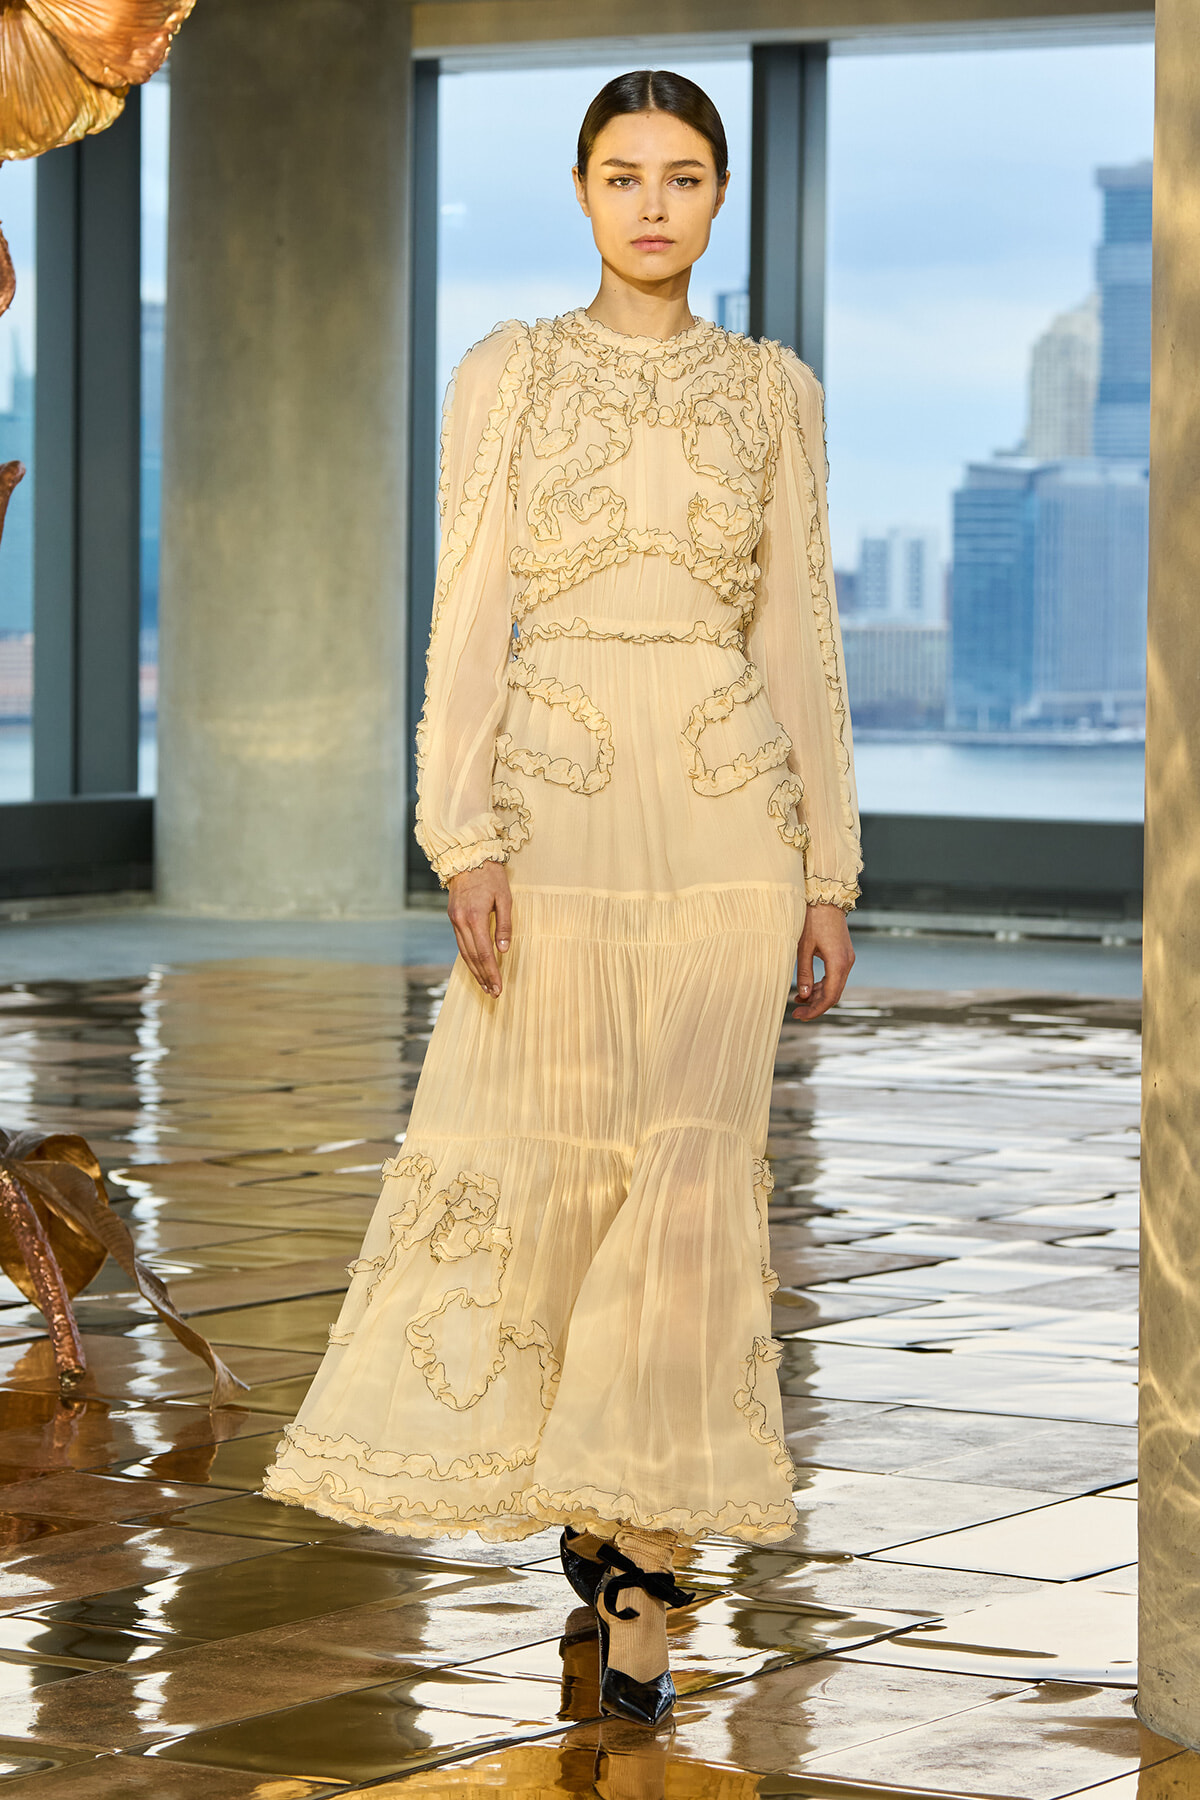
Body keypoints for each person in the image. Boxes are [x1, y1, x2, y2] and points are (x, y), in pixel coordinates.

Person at [263, 67, 861, 1727]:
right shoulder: (508, 376)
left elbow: (800, 636)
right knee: (566, 1182)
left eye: (683, 175)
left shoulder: (775, 394)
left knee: (688, 1191)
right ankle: (599, 1523)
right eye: (623, 173)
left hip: (732, 822)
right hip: (561, 814)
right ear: (582, 193)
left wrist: (827, 867)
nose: (653, 202)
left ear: (722, 198)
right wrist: (461, 838)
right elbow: (463, 616)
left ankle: (647, 1576)